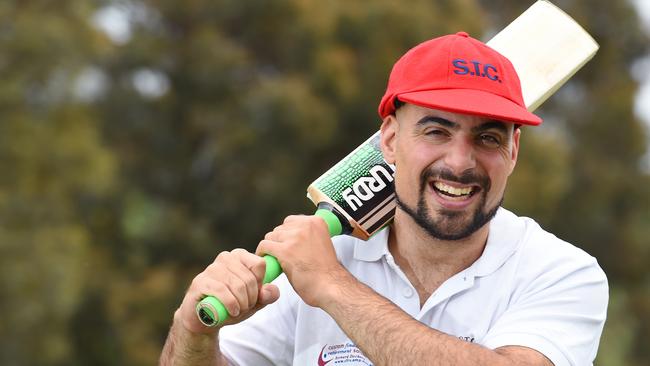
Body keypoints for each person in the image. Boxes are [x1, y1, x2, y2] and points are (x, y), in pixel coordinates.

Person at [160, 32, 608, 366]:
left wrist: (333, 287)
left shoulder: (562, 272)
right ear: (390, 141)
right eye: (437, 130)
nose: (459, 162)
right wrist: (192, 333)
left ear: (513, 152)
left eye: (488, 137)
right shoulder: (324, 258)